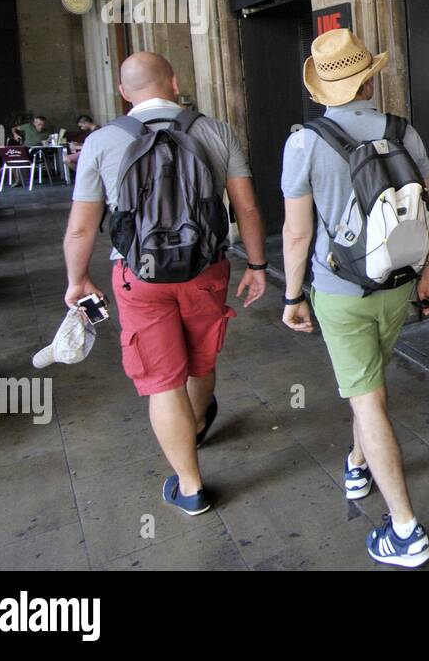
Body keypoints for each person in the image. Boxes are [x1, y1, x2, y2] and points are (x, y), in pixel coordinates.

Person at [62, 52, 266, 514]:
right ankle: (195, 423)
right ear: (174, 83)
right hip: (205, 269)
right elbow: (247, 209)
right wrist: (257, 265)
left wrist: (78, 280)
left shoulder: (101, 142)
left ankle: (191, 486)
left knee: (161, 381)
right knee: (200, 358)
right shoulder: (216, 130)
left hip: (138, 277)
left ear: (123, 92)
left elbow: (80, 228)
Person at [280, 29, 429, 568]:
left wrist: (292, 294)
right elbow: (425, 210)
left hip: (340, 290)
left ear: (321, 88)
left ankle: (404, 531)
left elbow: (297, 234)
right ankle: (356, 461)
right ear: (368, 77)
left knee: (367, 397)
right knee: (368, 384)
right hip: (397, 284)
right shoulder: (403, 132)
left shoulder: (303, 141)